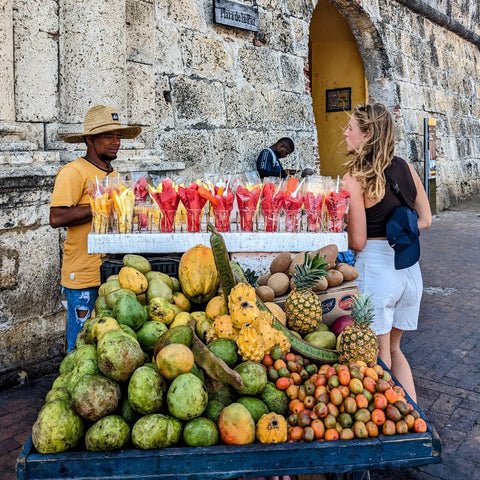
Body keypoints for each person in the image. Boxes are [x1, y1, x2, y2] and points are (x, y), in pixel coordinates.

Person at [342, 103, 432, 402]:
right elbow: (426, 220)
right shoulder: (405, 167)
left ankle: (396, 429)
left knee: (380, 360)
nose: (345, 133)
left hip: (377, 272)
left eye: (351, 129)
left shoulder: (355, 178)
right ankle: (416, 417)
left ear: (367, 134)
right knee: (395, 350)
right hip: (408, 270)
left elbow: (357, 241)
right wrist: (398, 231)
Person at [50, 105, 141, 351]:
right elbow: (56, 217)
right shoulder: (73, 172)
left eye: (118, 136)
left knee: (107, 346)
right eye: (108, 136)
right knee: (80, 348)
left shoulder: (116, 175)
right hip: (82, 275)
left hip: (113, 273)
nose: (115, 142)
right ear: (90, 139)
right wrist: (101, 205)